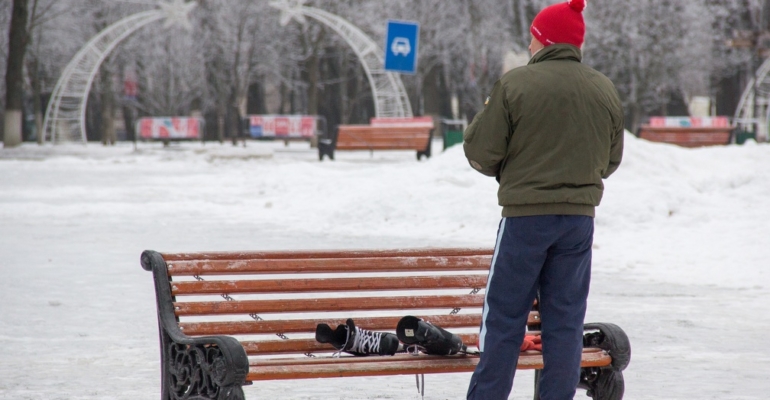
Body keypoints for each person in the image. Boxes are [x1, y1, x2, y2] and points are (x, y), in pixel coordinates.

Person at [462, 0, 624, 399]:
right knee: (566, 325)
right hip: (577, 224)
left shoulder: (516, 84)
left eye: (533, 38)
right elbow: (611, 159)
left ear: (544, 40)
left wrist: (510, 171)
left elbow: (480, 150)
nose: (530, 45)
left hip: (525, 220)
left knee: (504, 320)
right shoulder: (603, 89)